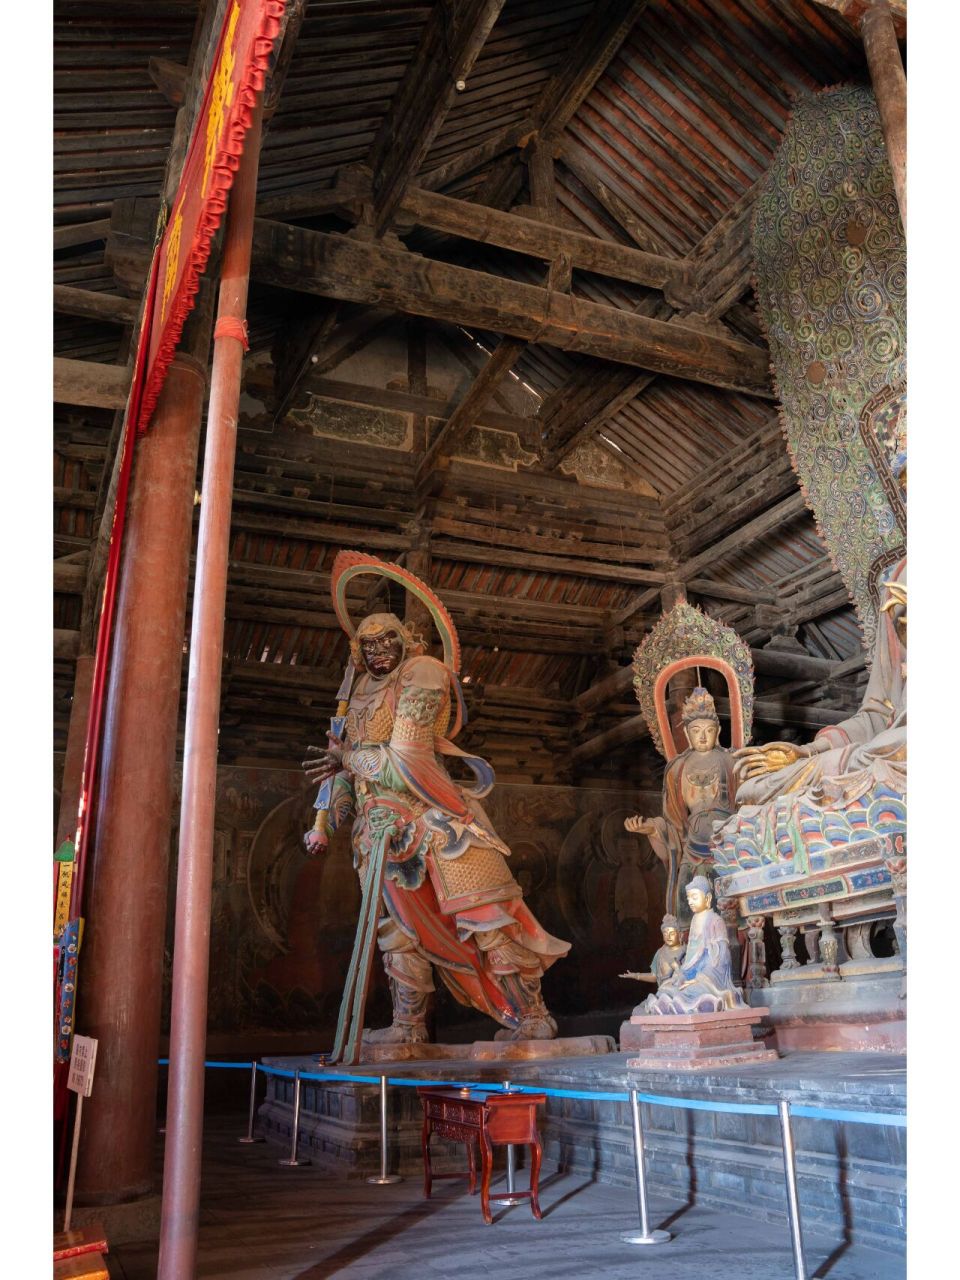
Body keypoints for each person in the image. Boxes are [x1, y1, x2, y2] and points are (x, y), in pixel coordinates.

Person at [303, 611, 570, 1045]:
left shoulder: (423, 672)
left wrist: (348, 759)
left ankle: (533, 1015)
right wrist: (326, 824)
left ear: (405, 640)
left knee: (488, 919)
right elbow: (347, 775)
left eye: (386, 640)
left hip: (437, 822)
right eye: (367, 645)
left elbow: (409, 759)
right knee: (398, 931)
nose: (377, 651)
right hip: (377, 834)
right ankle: (408, 1026)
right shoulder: (355, 694)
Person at [624, 687, 736, 926]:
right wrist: (651, 829)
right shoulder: (677, 768)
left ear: (719, 731)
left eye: (709, 730)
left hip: (728, 847)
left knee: (733, 912)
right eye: (696, 731)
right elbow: (673, 821)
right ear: (686, 732)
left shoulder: (731, 761)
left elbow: (747, 804)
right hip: (692, 848)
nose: (703, 737)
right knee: (684, 912)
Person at [640, 877, 745, 1015]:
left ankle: (685, 1005)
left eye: (694, 897)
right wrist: (683, 974)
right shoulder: (695, 920)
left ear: (707, 899)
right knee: (666, 989)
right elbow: (691, 958)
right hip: (692, 974)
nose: (690, 901)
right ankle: (674, 1004)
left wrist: (700, 977)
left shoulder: (716, 921)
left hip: (711, 977)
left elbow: (722, 957)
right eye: (689, 898)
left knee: (690, 992)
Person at [620, 914, 684, 988]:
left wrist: (678, 969)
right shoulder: (660, 953)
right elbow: (654, 977)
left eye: (672, 933)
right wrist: (636, 975)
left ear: (680, 935)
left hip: (681, 994)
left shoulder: (686, 952)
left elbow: (691, 979)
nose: (668, 937)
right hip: (663, 992)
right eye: (665, 933)